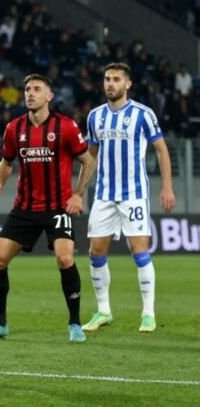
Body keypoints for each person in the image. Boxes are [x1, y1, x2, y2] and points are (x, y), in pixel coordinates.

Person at [0, 74, 96, 343]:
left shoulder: (64, 126)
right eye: (27, 89)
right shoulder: (14, 129)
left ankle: (75, 323)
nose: (30, 93)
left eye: (37, 89)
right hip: (25, 208)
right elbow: (7, 162)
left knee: (65, 259)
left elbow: (88, 162)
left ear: (49, 96)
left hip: (57, 207)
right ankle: (0, 323)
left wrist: (78, 195)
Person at [82, 63, 176, 333]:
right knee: (96, 252)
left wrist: (166, 187)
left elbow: (161, 150)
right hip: (103, 195)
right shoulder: (95, 117)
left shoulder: (142, 114)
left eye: (115, 80)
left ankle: (148, 313)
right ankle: (103, 311)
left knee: (139, 250)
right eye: (106, 79)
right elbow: (91, 157)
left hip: (134, 195)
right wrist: (79, 191)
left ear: (128, 84)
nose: (110, 84)